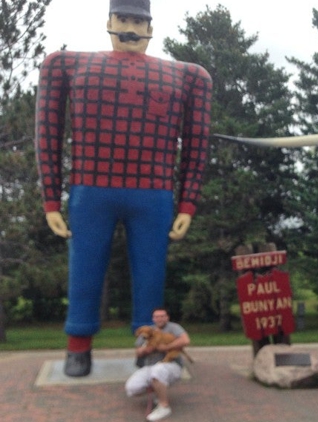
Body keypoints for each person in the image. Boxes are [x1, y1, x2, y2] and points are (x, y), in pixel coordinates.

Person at [34, 0, 212, 377]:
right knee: (84, 268)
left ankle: (149, 345)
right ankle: (77, 346)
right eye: (124, 19)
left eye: (138, 21)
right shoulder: (66, 64)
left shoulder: (188, 76)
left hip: (153, 192)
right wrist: (50, 199)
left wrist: (187, 205)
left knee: (151, 272)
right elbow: (47, 132)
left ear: (150, 28)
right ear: (110, 22)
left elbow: (197, 143)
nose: (131, 28)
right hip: (91, 188)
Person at [125, 307, 190, 421]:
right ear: (153, 318)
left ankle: (164, 406)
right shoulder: (147, 330)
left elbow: (185, 340)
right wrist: (145, 350)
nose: (159, 319)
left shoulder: (174, 327)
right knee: (132, 389)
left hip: (172, 364)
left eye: (162, 316)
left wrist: (165, 347)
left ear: (167, 317)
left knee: (158, 371)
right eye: (157, 316)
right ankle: (159, 392)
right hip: (150, 365)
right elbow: (138, 351)